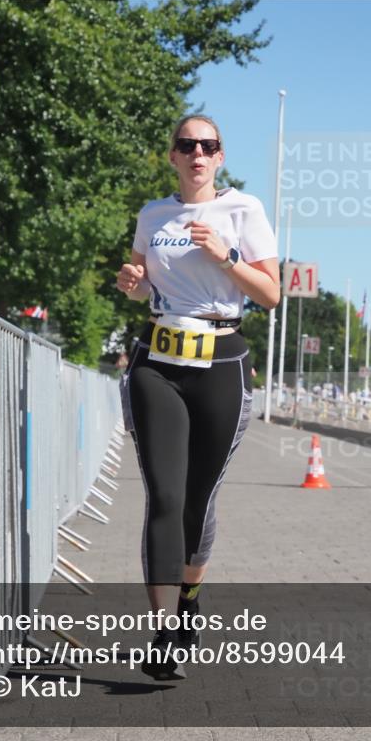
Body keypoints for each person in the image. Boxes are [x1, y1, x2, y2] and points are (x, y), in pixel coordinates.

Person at [117, 114, 280, 680]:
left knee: (197, 500)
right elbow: (141, 275)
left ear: (221, 156)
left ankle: (188, 600)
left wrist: (226, 258)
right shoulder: (154, 215)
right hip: (157, 360)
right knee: (163, 495)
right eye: (187, 145)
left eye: (208, 146)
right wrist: (134, 282)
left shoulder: (244, 211)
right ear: (172, 156)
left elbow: (272, 293)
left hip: (220, 362)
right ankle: (162, 633)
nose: (197, 154)